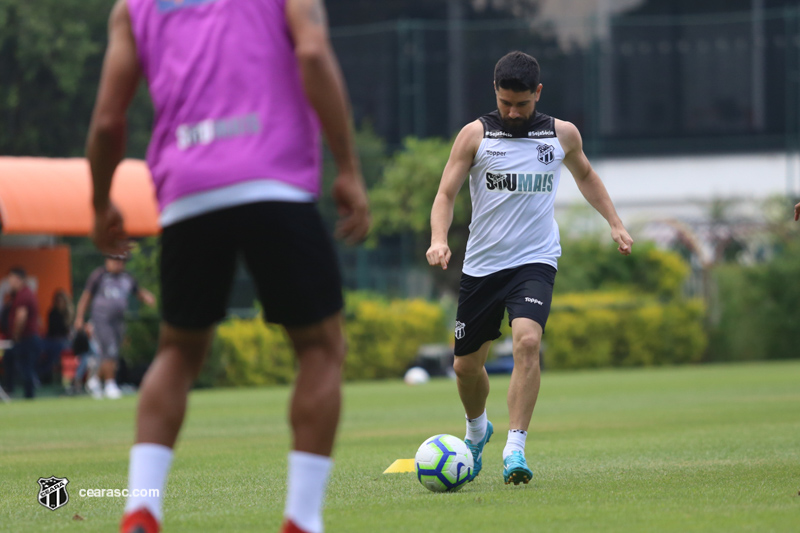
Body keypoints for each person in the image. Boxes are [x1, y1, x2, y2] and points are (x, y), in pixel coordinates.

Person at [85, 0, 369, 532]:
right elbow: (312, 53)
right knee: (320, 347)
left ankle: (141, 511)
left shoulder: (134, 7)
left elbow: (106, 121)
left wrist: (100, 203)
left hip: (188, 194)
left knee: (178, 351)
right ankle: (302, 520)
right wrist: (348, 167)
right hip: (275, 183)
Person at [426, 51, 633, 486]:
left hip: (534, 260)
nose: (513, 111)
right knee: (465, 367)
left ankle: (515, 449)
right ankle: (478, 429)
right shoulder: (474, 136)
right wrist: (439, 239)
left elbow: (588, 177)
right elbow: (445, 194)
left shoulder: (561, 136)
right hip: (483, 265)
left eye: (521, 103)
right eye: (505, 103)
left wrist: (614, 223)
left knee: (527, 341)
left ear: (538, 93)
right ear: (495, 94)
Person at [74, 255, 156, 399]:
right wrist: (80, 317)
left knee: (113, 353)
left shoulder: (127, 278)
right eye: (116, 261)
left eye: (122, 262)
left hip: (118, 321)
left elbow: (137, 292)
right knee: (109, 350)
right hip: (101, 320)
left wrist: (147, 297)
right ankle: (110, 384)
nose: (119, 264)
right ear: (108, 261)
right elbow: (86, 297)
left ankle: (94, 381)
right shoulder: (99, 276)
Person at [3, 267, 42, 399]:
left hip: (27, 338)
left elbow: (21, 316)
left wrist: (16, 335)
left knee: (23, 366)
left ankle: (24, 394)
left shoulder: (23, 295)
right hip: (29, 338)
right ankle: (25, 394)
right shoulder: (25, 294)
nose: (10, 284)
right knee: (19, 363)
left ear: (19, 280)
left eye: (11, 280)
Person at [39, 289, 74, 385]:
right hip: (52, 339)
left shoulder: (68, 312)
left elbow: (68, 330)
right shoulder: (53, 313)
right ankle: (43, 373)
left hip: (63, 340)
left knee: (63, 348)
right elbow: (53, 329)